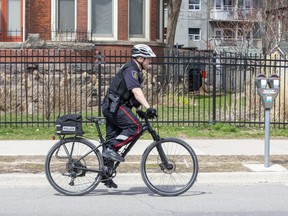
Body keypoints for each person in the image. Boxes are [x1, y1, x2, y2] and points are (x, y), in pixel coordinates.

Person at [101, 44, 157, 188]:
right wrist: (149, 107)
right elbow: (136, 91)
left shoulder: (135, 71)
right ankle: (111, 149)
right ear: (140, 58)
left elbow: (131, 95)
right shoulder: (131, 70)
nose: (150, 62)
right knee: (135, 127)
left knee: (111, 140)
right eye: (148, 59)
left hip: (113, 107)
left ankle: (104, 174)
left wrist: (139, 110)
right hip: (115, 107)